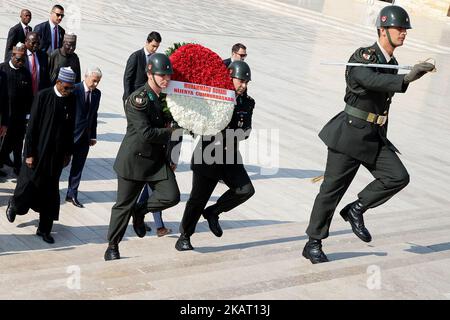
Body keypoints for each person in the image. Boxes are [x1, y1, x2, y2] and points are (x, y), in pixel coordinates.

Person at [302, 5, 436, 264]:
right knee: (331, 191)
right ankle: (313, 242)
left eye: (405, 29)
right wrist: (406, 79)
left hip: (374, 135)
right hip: (350, 133)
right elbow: (370, 80)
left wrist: (404, 77)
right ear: (382, 30)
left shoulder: (392, 62)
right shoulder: (363, 56)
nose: (404, 33)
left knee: (398, 177)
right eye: (399, 28)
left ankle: (356, 209)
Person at [104, 53, 180, 261]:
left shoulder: (167, 98)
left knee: (171, 195)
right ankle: (112, 245)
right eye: (161, 75)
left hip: (156, 161)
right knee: (123, 205)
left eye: (168, 76)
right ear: (149, 74)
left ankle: (140, 212)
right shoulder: (139, 99)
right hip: (134, 161)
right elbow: (146, 133)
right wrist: (171, 131)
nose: (166, 79)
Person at [175, 60, 255, 251]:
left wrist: (239, 134)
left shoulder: (247, 102)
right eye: (240, 81)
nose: (243, 85)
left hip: (230, 156)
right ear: (229, 77)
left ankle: (213, 211)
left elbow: (247, 129)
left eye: (246, 82)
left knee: (245, 190)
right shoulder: (214, 97)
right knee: (198, 199)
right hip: (208, 154)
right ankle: (184, 236)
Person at [5, 67, 76, 244]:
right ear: (58, 83)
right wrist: (28, 153)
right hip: (37, 154)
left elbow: (69, 129)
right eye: (66, 87)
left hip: (56, 157)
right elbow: (32, 128)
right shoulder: (43, 96)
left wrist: (68, 152)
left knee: (50, 193)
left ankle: (44, 229)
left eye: (71, 88)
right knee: (28, 186)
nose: (68, 91)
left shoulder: (71, 100)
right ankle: (14, 204)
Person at [65, 67, 102, 208]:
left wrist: (93, 135)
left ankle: (72, 194)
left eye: (98, 82)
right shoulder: (74, 90)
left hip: (84, 138)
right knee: (59, 165)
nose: (96, 84)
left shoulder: (97, 94)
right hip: (70, 136)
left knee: (78, 167)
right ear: (86, 77)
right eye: (94, 81)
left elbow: (94, 115)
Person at [0, 43, 33, 176]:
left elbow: (29, 95)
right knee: (3, 143)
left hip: (19, 116)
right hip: (5, 115)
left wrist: (28, 114)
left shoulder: (25, 72)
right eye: (18, 59)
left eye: (23, 60)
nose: (20, 62)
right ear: (12, 56)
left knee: (19, 142)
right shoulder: (2, 69)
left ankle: (18, 166)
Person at [123, 31, 162, 102]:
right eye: (153, 46)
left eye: (157, 47)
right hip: (134, 96)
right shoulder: (135, 56)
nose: (155, 49)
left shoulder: (156, 58)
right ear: (147, 42)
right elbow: (127, 78)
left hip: (148, 97)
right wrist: (128, 98)